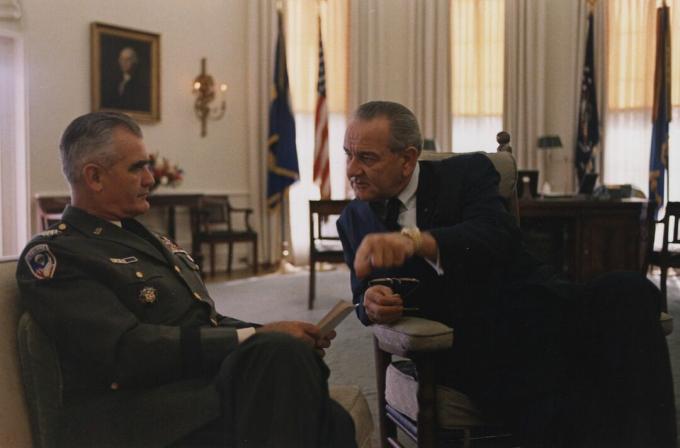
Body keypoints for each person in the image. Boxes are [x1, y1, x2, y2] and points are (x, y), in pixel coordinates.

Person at [337, 100, 676, 447]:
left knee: (631, 290)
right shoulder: (353, 221)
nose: (352, 169)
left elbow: (495, 235)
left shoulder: (468, 172)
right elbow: (362, 292)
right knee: (559, 398)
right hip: (475, 342)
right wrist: (370, 302)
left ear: (407, 159)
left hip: (539, 302)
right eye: (348, 154)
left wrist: (417, 242)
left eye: (366, 157)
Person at [16, 111, 356, 447]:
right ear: (94, 177)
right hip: (141, 415)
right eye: (137, 167)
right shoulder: (60, 255)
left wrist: (274, 329)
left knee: (326, 409)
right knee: (284, 363)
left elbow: (203, 321)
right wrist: (257, 337)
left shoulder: (150, 239)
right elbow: (126, 351)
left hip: (196, 391)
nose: (150, 178)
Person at [102, 46, 150, 111]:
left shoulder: (141, 84)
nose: (124, 62)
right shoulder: (114, 81)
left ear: (134, 61)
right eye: (122, 59)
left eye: (128, 59)